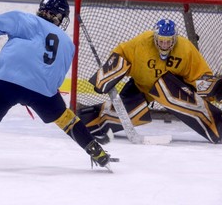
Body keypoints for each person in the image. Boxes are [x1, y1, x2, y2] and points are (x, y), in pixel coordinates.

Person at [0, 0, 112, 168]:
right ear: (60, 17)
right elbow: (57, 77)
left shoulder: (25, 19)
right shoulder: (68, 44)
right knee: (66, 118)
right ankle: (96, 151)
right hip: (43, 92)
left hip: (5, 82)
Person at [79, 19, 222, 144]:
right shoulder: (142, 42)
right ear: (155, 37)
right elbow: (122, 53)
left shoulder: (185, 49)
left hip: (172, 90)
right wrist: (106, 74)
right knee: (129, 114)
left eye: (168, 41)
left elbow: (200, 75)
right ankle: (87, 121)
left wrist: (214, 89)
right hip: (141, 87)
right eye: (161, 41)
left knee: (165, 88)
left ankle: (218, 125)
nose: (165, 45)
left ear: (175, 39)